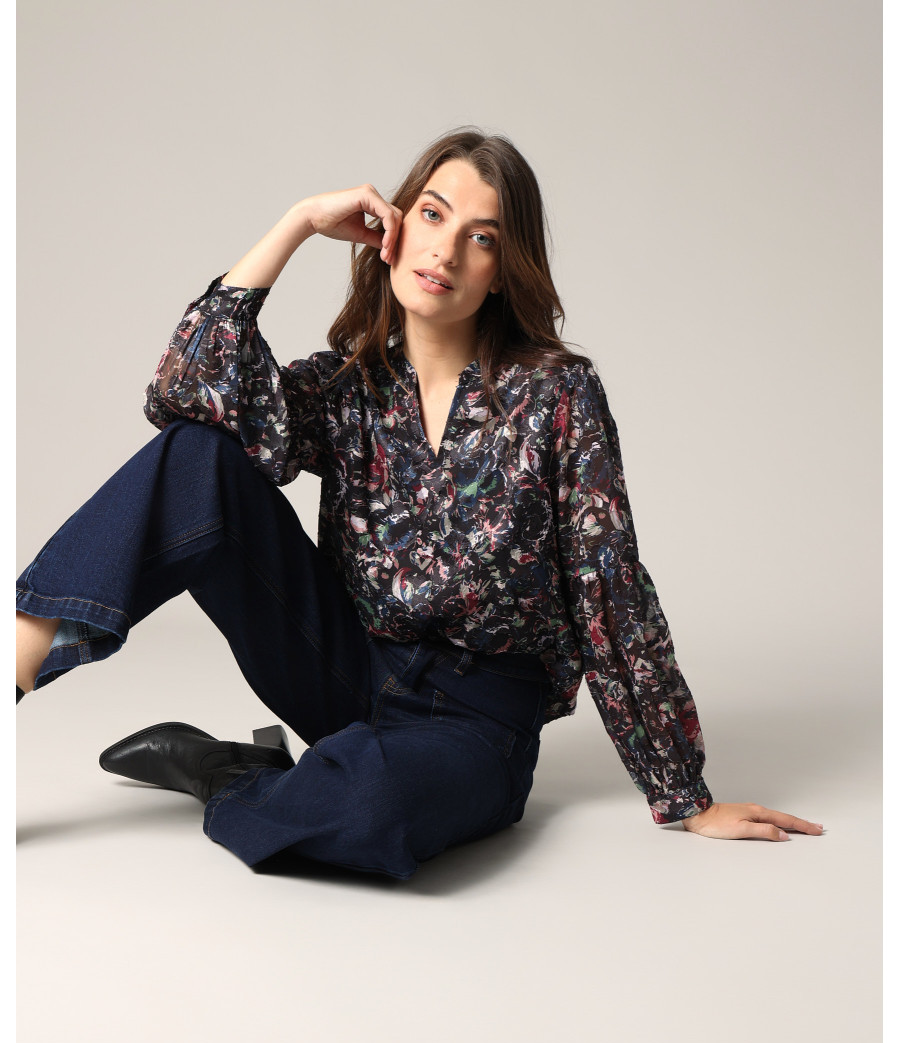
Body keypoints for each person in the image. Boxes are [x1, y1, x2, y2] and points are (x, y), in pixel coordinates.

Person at [15, 127, 824, 879]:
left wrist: (685, 795)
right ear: (392, 228)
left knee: (370, 809)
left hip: (478, 720)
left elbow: (608, 588)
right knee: (198, 453)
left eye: (482, 237)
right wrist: (297, 223)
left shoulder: (557, 395)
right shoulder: (347, 387)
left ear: (502, 270)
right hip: (346, 668)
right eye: (432, 215)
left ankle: (229, 772)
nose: (445, 250)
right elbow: (182, 394)